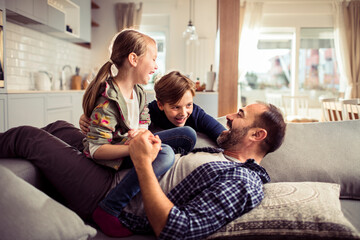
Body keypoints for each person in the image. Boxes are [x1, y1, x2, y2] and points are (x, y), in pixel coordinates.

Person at [0, 102, 286, 240]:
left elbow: (179, 230)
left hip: (111, 194)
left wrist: (140, 162)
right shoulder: (222, 155)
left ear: (257, 135)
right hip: (121, 169)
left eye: (240, 115)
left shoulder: (242, 181)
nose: (229, 116)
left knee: (28, 137)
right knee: (62, 126)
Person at [81, 29, 196, 237]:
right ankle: (109, 208)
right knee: (166, 153)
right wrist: (133, 148)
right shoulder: (108, 101)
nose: (156, 66)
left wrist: (142, 135)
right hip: (116, 152)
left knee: (187, 135)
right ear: (133, 59)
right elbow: (95, 149)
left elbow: (144, 123)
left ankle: (156, 157)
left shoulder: (139, 93)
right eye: (153, 59)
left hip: (131, 143)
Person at [79, 70, 226, 143]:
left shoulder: (196, 114)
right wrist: (87, 117)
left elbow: (221, 134)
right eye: (175, 107)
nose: (184, 112)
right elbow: (117, 118)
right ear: (160, 104)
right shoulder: (149, 111)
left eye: (189, 105)